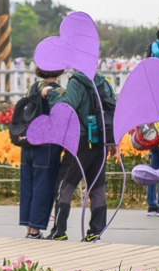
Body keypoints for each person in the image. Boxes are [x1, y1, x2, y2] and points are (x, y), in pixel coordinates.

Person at [48, 70, 118, 242]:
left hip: (79, 140)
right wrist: (112, 141)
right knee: (97, 187)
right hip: (100, 142)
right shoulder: (104, 82)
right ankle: (95, 232)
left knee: (65, 185)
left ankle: (59, 231)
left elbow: (66, 108)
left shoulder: (77, 81)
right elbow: (113, 110)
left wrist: (52, 94)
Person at [19, 68, 65, 239]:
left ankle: (29, 228)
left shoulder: (32, 88)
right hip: (47, 145)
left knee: (28, 185)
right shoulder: (58, 90)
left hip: (28, 142)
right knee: (42, 186)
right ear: (59, 71)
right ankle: (36, 229)